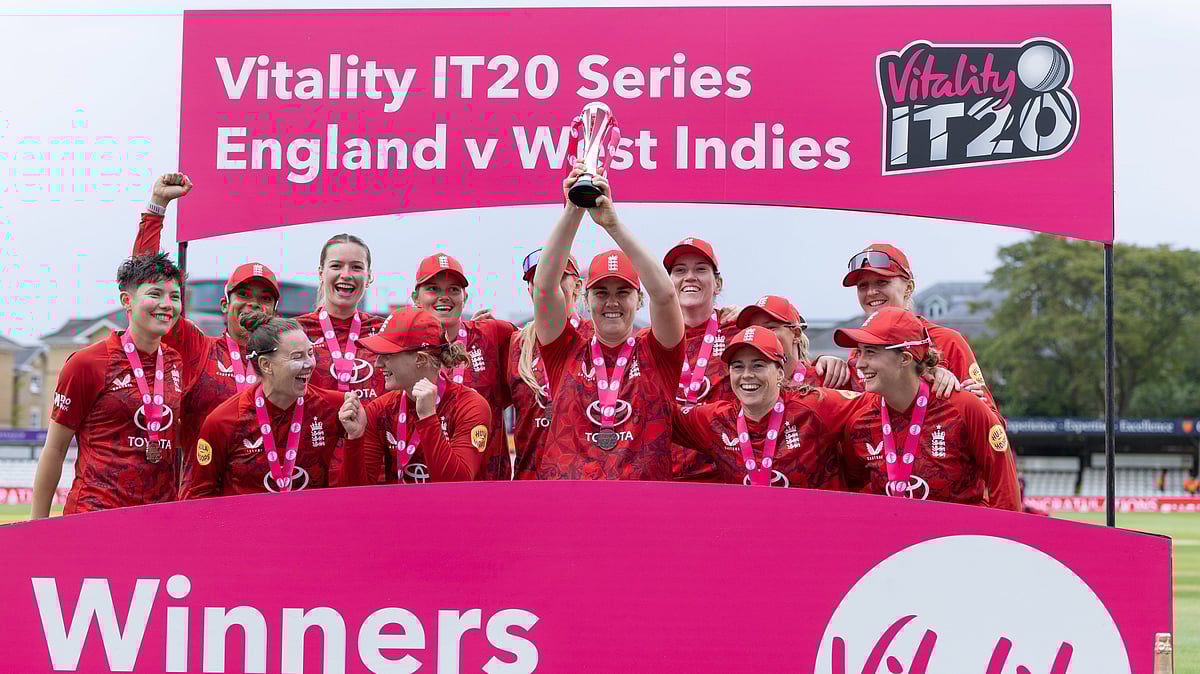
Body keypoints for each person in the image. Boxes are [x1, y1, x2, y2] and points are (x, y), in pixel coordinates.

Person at [530, 163, 685, 480]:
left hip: (641, 508)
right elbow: (545, 287)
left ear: (638, 300)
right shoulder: (565, 348)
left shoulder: (658, 352)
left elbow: (667, 296)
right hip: (569, 506)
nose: (612, 302)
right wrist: (573, 210)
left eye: (623, 292)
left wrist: (612, 224)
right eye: (601, 292)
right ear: (586, 300)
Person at [131, 172, 283, 477]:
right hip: (199, 496)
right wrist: (158, 207)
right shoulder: (198, 348)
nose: (253, 303)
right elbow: (148, 281)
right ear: (225, 304)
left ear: (275, 312)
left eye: (264, 298)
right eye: (243, 294)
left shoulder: (286, 362)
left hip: (264, 495)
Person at [31, 253, 186, 517]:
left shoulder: (177, 363)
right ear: (127, 301)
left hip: (158, 520)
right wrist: (37, 523)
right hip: (95, 516)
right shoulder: (87, 363)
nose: (167, 304)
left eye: (174, 296)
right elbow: (55, 449)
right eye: (155, 294)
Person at [833, 307, 1021, 510]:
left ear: (904, 359)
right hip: (897, 539)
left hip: (963, 539)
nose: (859, 364)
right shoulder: (859, 421)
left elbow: (1006, 497)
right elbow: (853, 493)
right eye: (859, 352)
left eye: (870, 352)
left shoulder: (965, 408)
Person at [180, 313, 367, 497]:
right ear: (266, 365)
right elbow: (201, 496)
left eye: (310, 353)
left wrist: (355, 437)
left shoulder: (335, 407)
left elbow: (355, 495)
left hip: (310, 526)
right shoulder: (223, 421)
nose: (309, 364)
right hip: (248, 527)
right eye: (297, 357)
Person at [670, 327, 867, 488]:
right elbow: (660, 415)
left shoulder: (816, 406)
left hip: (814, 530)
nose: (747, 375)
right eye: (738, 366)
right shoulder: (716, 419)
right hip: (750, 532)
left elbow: (878, 403)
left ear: (780, 373)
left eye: (758, 365)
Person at [842, 243, 996, 409]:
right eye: (862, 286)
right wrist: (825, 366)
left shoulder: (948, 341)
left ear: (908, 288)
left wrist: (973, 404)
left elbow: (994, 425)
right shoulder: (857, 348)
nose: (871, 292)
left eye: (882, 282)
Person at [409, 252, 516, 480]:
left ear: (465, 297)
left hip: (487, 487)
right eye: (433, 289)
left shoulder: (492, 334)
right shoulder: (401, 350)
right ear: (415, 298)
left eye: (454, 289)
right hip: (420, 483)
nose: (444, 296)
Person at [357, 307, 493, 483]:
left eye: (387, 355)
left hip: (454, 511)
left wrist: (428, 418)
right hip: (399, 511)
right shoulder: (380, 408)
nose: (378, 363)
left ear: (420, 359)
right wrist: (354, 439)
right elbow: (354, 494)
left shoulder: (470, 406)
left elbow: (457, 486)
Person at [296, 233, 386, 483]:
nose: (346, 274)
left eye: (356, 267)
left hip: (374, 472)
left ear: (369, 277)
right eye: (336, 266)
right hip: (309, 471)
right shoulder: (294, 333)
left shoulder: (386, 333)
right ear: (321, 273)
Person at [507, 248, 592, 479]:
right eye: (540, 280)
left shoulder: (597, 339)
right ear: (530, 290)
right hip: (529, 484)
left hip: (584, 484)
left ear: (578, 285)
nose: (549, 285)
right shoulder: (515, 344)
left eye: (558, 276)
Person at [735, 295, 847, 388]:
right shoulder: (744, 386)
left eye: (770, 328)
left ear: (796, 334)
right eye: (754, 330)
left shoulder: (827, 378)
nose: (761, 336)